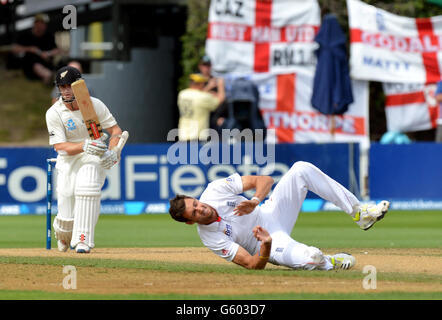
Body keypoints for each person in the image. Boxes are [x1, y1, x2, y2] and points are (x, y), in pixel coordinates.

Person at [169, 161, 390, 270]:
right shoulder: (209, 237)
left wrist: (255, 200)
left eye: (196, 203)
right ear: (190, 222)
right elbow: (252, 264)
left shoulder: (214, 190)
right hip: (269, 244)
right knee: (311, 257)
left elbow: (265, 181)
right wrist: (265, 244)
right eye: (195, 212)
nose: (201, 208)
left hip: (270, 212)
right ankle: (329, 262)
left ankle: (359, 213)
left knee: (301, 169)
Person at [45, 65, 124, 253]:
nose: (65, 90)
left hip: (92, 155)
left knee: (87, 188)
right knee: (66, 197)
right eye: (62, 87)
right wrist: (83, 145)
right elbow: (59, 146)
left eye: (69, 86)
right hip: (68, 157)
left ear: (79, 85)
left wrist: (113, 151)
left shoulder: (94, 104)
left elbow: (115, 131)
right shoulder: (54, 113)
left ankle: (83, 240)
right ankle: (63, 232)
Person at [11, 13, 61, 84]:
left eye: (43, 23)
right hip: (31, 66)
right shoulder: (25, 35)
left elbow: (57, 50)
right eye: (40, 23)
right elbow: (14, 49)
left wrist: (47, 54)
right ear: (35, 24)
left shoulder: (49, 36)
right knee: (44, 71)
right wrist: (30, 49)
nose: (42, 26)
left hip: (47, 63)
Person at [177, 73, 225, 141]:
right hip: (198, 136)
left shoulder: (182, 94)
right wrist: (221, 85)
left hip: (183, 135)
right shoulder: (203, 97)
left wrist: (208, 87)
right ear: (200, 84)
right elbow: (220, 99)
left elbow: (198, 95)